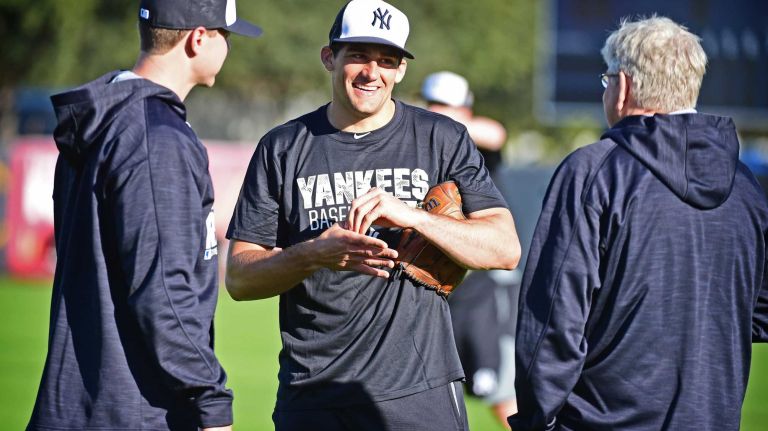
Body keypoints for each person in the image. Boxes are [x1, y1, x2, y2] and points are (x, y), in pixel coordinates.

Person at [224, 1, 521, 430]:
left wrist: (416, 218)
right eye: (358, 55)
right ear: (330, 57)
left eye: (387, 60)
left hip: (421, 392)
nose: (372, 72)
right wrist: (313, 254)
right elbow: (238, 278)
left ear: (401, 70)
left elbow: (505, 248)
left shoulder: (441, 138)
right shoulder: (283, 148)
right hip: (314, 392)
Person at [509, 16, 768, 431]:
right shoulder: (745, 186)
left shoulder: (594, 171)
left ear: (624, 86)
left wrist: (537, 421)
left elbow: (553, 317)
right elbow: (760, 311)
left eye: (606, 79)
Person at [27, 1, 261, 430]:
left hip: (87, 403)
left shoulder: (107, 122)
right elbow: (163, 291)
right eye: (225, 35)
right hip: (135, 409)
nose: (229, 47)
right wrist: (210, 405)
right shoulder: (156, 138)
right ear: (198, 39)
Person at [421, 71, 519, 428]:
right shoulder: (418, 140)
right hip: (430, 284)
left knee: (500, 392)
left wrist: (438, 121)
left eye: (447, 106)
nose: (438, 112)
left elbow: (496, 133)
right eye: (433, 105)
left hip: (479, 289)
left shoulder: (474, 139)